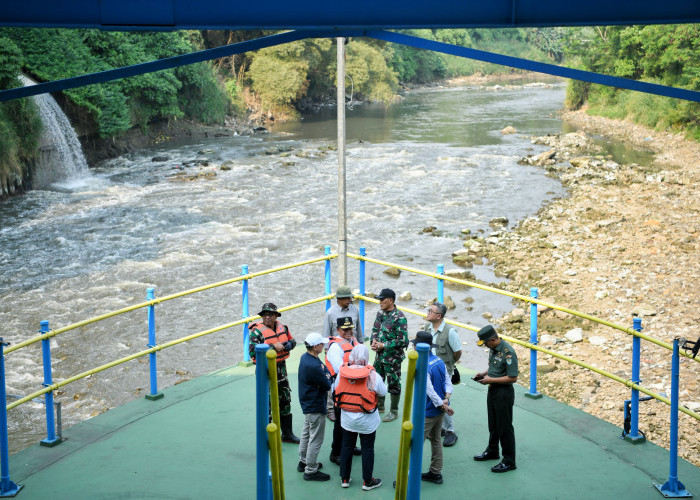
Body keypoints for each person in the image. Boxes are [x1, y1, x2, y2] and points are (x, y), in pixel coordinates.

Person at [334, 344, 387, 491]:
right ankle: (367, 481)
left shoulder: (342, 372)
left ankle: (345, 478)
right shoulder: (372, 375)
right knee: (367, 448)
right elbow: (383, 392)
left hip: (347, 419)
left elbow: (335, 389)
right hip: (367, 420)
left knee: (346, 446)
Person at [248, 302, 300, 444]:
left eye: (270, 314)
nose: (267, 317)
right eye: (265, 315)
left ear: (276, 316)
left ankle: (287, 434)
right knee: (267, 404)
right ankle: (267, 438)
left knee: (285, 399)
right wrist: (272, 346)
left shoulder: (283, 327)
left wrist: (290, 345)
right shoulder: (256, 332)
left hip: (281, 369)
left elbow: (293, 341)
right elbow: (252, 351)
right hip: (265, 371)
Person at [473, 325, 518, 473]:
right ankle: (492, 451)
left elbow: (513, 377)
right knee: (493, 424)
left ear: (493, 339)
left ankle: (509, 460)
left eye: (486, 343)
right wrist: (483, 374)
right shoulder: (493, 349)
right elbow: (493, 366)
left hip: (503, 393)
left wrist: (490, 380)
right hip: (492, 390)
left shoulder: (508, 352)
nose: (485, 346)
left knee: (505, 427)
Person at [412, 330, 454, 485]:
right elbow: (448, 383)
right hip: (439, 411)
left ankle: (410, 476)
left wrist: (441, 404)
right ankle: (435, 472)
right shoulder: (438, 361)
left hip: (428, 411)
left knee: (415, 444)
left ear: (418, 347)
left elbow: (428, 389)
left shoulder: (422, 365)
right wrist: (446, 401)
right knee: (436, 440)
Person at [424, 302, 462, 447]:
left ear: (438, 315)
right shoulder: (427, 327)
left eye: (430, 311)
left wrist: (450, 366)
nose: (427, 313)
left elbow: (457, 352)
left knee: (442, 398)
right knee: (435, 398)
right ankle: (440, 428)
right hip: (430, 369)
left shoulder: (450, 332)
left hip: (443, 370)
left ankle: (450, 431)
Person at [323, 287, 363, 421]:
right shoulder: (330, 313)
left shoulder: (354, 310)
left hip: (353, 348)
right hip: (336, 350)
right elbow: (326, 334)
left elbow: (358, 330)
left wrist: (361, 346)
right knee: (334, 378)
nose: (350, 300)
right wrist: (327, 352)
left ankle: (351, 402)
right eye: (347, 298)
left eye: (350, 297)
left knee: (353, 376)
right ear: (338, 299)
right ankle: (330, 409)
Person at [297, 332, 332, 481]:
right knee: (316, 438)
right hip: (315, 405)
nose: (323, 346)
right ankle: (310, 470)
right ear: (316, 346)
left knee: (306, 433)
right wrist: (326, 375)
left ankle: (303, 461)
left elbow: (326, 371)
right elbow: (327, 383)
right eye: (321, 344)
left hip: (307, 403)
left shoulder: (306, 358)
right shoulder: (313, 365)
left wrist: (326, 374)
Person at [370, 288, 409, 422]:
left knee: (394, 383)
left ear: (390, 301)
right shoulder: (380, 313)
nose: (380, 302)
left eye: (382, 299)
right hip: (379, 356)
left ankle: (394, 411)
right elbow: (375, 329)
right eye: (379, 299)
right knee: (377, 380)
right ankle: (379, 406)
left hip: (393, 358)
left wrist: (384, 345)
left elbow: (403, 341)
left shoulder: (400, 317)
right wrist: (374, 342)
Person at [326, 317, 360, 465]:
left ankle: (350, 447)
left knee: (354, 420)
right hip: (341, 390)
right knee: (340, 423)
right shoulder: (335, 347)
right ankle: (336, 453)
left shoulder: (354, 342)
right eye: (345, 329)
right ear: (338, 330)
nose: (349, 331)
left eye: (350, 328)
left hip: (356, 388)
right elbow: (340, 369)